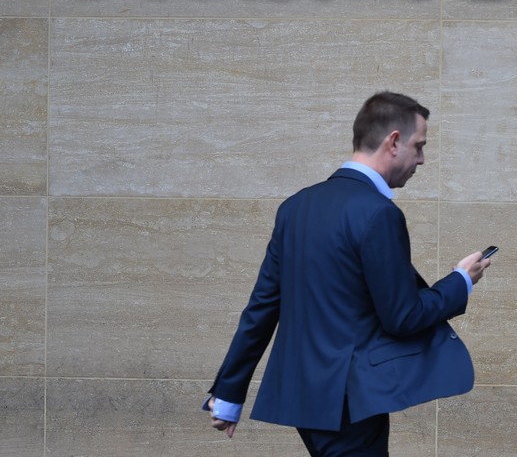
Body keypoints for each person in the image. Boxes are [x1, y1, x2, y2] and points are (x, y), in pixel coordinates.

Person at [203, 91, 491, 456]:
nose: (422, 159)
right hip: (348, 402)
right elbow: (402, 316)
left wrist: (229, 393)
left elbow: (261, 307)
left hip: (306, 400)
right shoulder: (378, 214)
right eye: (419, 146)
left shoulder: (295, 208)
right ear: (394, 141)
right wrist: (460, 281)